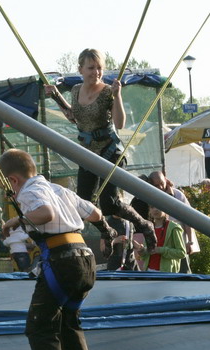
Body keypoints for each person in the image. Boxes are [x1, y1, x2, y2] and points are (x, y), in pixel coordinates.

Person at [0, 149, 99, 350]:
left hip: (63, 262)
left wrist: (16, 220)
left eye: (6, 187)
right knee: (68, 323)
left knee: (39, 325)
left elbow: (46, 213)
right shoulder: (58, 189)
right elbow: (95, 214)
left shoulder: (30, 191)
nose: (7, 193)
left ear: (13, 180)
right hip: (84, 259)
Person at [44, 48, 156, 257]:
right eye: (91, 68)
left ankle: (144, 225)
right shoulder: (76, 90)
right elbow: (73, 116)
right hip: (87, 152)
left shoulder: (106, 92)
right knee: (83, 203)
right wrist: (56, 97)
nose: (96, 72)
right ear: (80, 69)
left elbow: (120, 123)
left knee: (109, 204)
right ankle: (107, 232)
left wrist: (117, 95)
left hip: (108, 151)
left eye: (99, 68)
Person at [148, 171, 200, 273]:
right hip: (162, 241)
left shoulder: (177, 195)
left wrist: (190, 241)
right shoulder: (151, 196)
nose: (160, 187)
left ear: (165, 180)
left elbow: (188, 219)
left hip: (179, 240)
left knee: (183, 270)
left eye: (161, 184)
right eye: (156, 185)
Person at [135, 205, 186, 273]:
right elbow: (145, 255)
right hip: (148, 272)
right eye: (152, 207)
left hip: (166, 274)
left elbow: (182, 253)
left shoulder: (174, 228)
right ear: (149, 210)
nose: (155, 210)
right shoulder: (148, 227)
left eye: (158, 206)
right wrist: (141, 250)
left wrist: (160, 250)